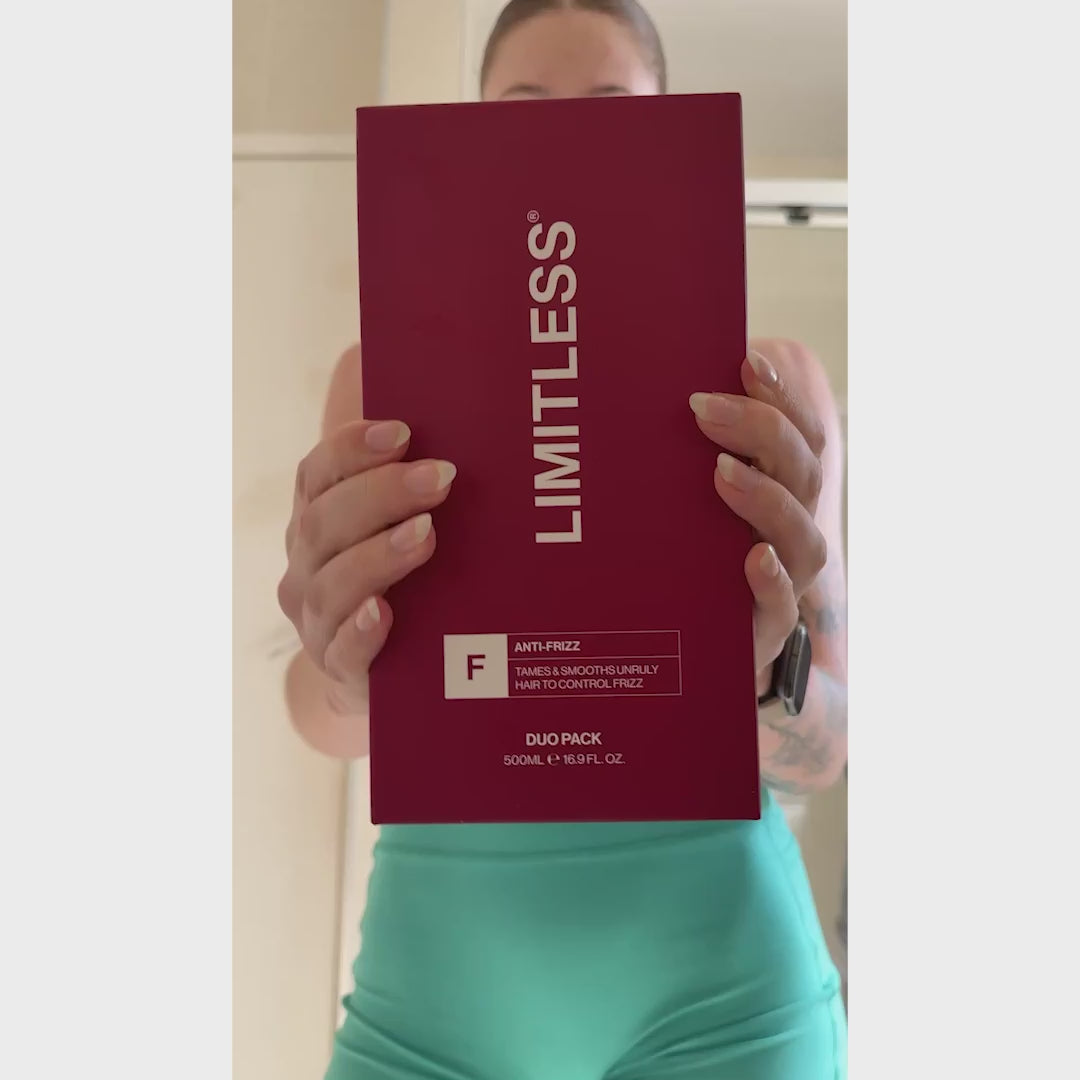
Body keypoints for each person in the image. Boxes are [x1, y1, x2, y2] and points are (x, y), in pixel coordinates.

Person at [277, 2, 849, 1077]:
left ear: (672, 136)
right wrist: (346, 669)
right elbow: (320, 715)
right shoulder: (382, 376)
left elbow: (830, 742)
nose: (566, 145)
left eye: (612, 113)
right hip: (434, 992)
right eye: (523, 112)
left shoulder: (773, 386)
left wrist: (758, 676)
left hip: (727, 989)